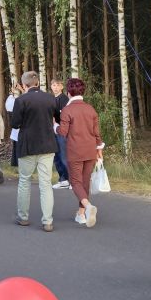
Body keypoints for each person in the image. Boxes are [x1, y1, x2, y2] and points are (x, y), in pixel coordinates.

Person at [11, 71, 59, 232]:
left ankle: (23, 217)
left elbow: (15, 124)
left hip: (28, 145)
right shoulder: (51, 98)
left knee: (25, 181)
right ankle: (48, 221)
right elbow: (57, 118)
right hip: (47, 144)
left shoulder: (21, 100)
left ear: (24, 85)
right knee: (46, 183)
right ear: (38, 83)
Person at [57, 78, 105, 228]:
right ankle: (81, 214)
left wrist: (54, 126)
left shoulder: (67, 110)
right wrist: (99, 148)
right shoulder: (90, 109)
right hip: (90, 150)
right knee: (85, 183)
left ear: (68, 92)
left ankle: (88, 207)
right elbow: (96, 133)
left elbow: (63, 132)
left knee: (75, 182)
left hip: (75, 151)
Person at [49, 78, 71, 190]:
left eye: (58, 85)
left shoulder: (64, 99)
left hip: (62, 132)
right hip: (52, 131)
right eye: (54, 85)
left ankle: (72, 180)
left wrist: (54, 117)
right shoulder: (51, 99)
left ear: (62, 87)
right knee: (56, 157)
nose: (56, 87)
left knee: (64, 156)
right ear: (51, 87)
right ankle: (63, 180)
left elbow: (64, 116)